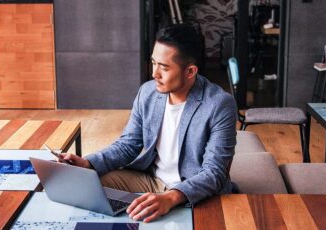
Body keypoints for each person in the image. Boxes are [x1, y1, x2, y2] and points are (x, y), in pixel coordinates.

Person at [58, 23, 237, 223]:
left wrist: (171, 197)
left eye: (164, 67)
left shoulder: (220, 104)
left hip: (194, 191)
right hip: (152, 181)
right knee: (86, 185)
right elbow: (128, 144)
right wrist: (88, 163)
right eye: (154, 63)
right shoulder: (148, 92)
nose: (154, 74)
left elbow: (215, 172)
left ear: (190, 71)